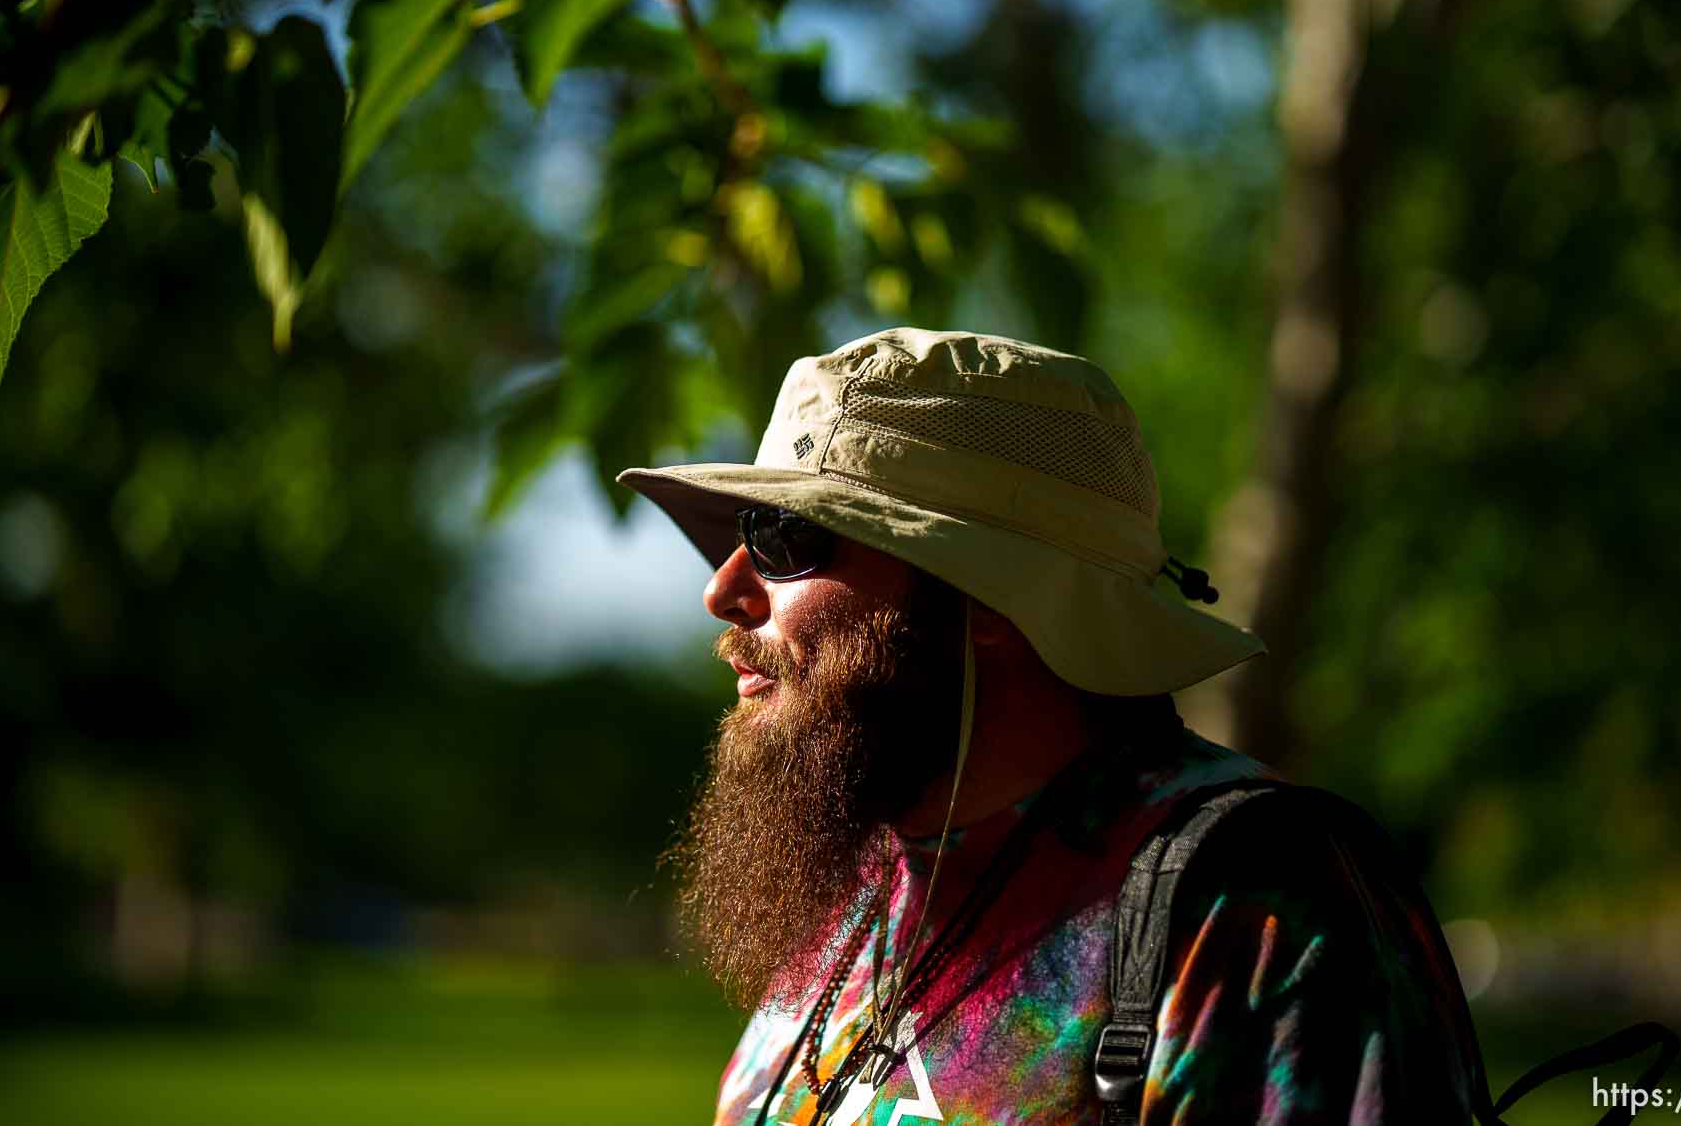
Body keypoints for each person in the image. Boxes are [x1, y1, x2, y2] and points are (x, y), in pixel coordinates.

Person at [619, 327, 1478, 1125]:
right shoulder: (860, 893)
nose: (722, 592)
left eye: (781, 536)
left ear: (987, 591)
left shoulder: (1253, 909)